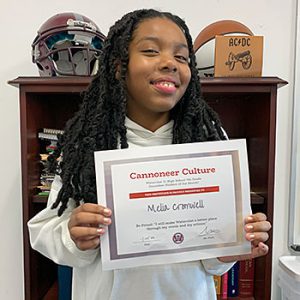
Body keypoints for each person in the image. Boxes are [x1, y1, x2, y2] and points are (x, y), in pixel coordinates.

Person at [28, 8, 271, 300]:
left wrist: (234, 244)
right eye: (151, 51)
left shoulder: (209, 140)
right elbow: (43, 230)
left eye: (181, 57)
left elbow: (213, 263)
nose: (169, 63)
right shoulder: (86, 145)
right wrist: (72, 234)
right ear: (119, 67)